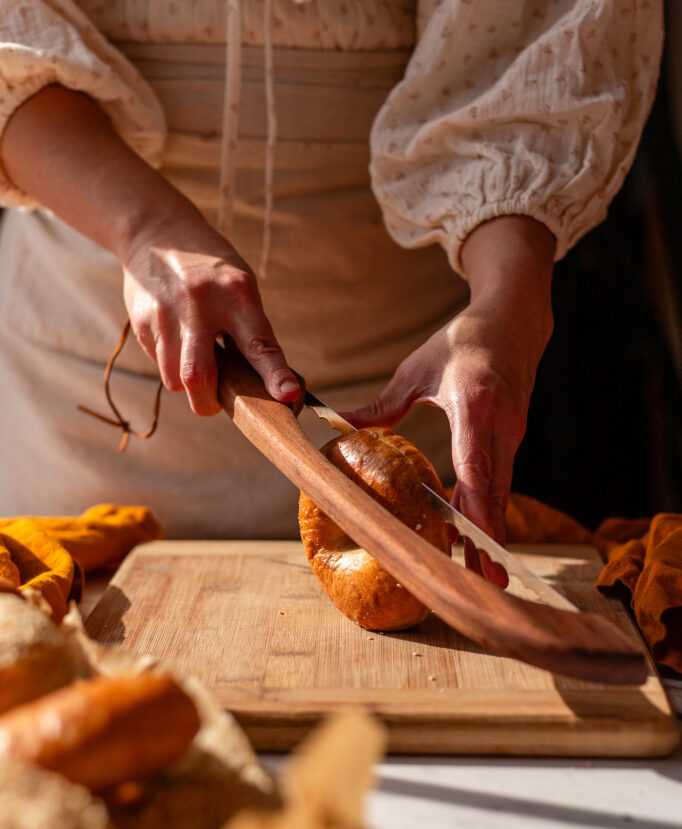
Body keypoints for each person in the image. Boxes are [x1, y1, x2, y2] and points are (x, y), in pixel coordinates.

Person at [0, 1, 663, 585]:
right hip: (74, 407)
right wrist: (143, 226)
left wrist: (504, 309)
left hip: (398, 394)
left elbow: (530, 55)